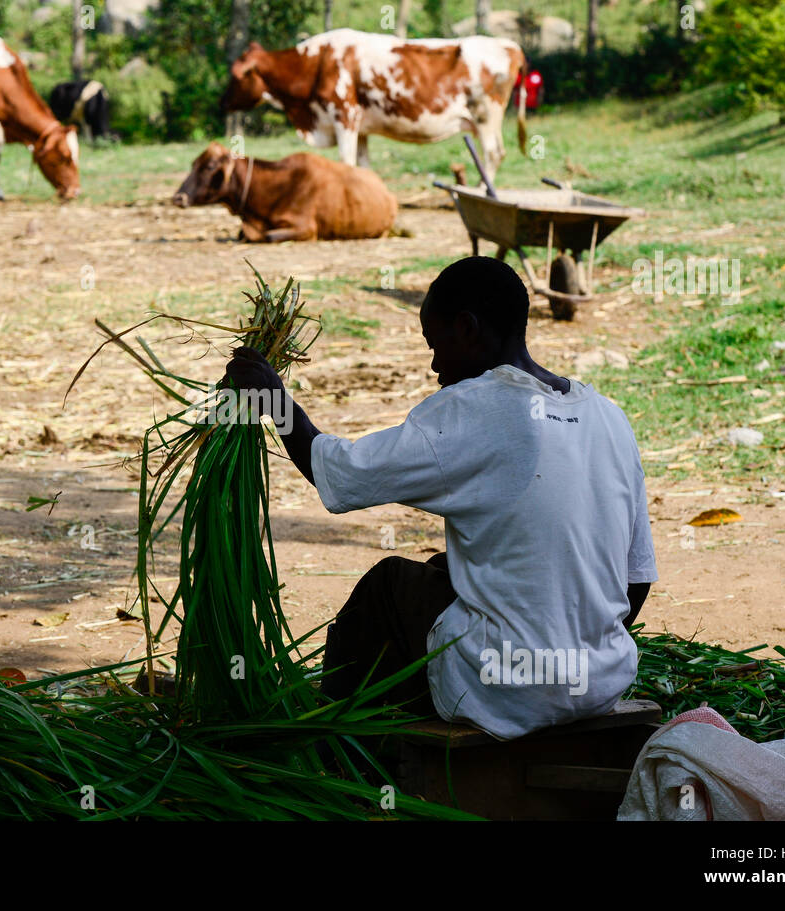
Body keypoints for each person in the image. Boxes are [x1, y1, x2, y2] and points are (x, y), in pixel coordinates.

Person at [224, 256, 657, 740]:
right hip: (600, 683)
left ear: (467, 328)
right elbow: (635, 582)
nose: (435, 365)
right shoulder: (609, 418)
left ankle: (329, 745)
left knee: (387, 585)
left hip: (506, 687)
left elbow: (341, 476)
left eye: (436, 345)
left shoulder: (476, 409)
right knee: (443, 568)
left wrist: (274, 400)